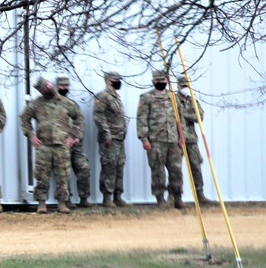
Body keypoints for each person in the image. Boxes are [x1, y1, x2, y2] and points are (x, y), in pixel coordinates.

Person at [19, 77, 79, 214]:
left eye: (46, 87)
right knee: (41, 175)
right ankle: (41, 203)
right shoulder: (36, 104)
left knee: (63, 175)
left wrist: (73, 136)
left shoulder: (67, 103)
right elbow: (24, 118)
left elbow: (79, 119)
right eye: (42, 90)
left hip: (62, 145)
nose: (46, 90)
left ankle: (62, 203)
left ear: (50, 85)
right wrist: (31, 135)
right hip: (44, 145)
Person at [136, 70, 185, 209]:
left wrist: (182, 137)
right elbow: (142, 119)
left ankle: (177, 197)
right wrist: (144, 139)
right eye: (158, 81)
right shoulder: (146, 98)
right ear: (153, 82)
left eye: (163, 80)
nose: (161, 83)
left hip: (173, 140)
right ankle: (160, 199)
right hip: (156, 141)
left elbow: (179, 118)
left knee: (176, 170)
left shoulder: (173, 97)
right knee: (158, 171)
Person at [92, 71, 129, 208]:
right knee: (109, 167)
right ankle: (107, 198)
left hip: (119, 138)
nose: (119, 81)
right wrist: (107, 133)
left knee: (119, 167)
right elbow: (98, 116)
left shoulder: (116, 97)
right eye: (116, 79)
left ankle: (117, 196)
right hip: (110, 139)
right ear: (108, 81)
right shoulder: (103, 96)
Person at [176, 75, 214, 205]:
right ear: (179, 86)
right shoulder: (173, 100)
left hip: (191, 139)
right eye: (184, 86)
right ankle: (175, 196)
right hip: (177, 139)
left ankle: (199, 194)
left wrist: (185, 115)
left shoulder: (193, 100)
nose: (186, 88)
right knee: (176, 168)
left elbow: (200, 116)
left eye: (187, 86)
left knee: (196, 166)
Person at [55, 76, 92, 208]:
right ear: (57, 87)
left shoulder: (72, 104)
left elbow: (80, 122)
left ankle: (84, 198)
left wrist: (77, 136)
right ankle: (66, 200)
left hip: (75, 145)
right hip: (60, 145)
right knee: (64, 172)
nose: (64, 88)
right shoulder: (52, 105)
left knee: (84, 168)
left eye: (66, 86)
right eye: (62, 86)